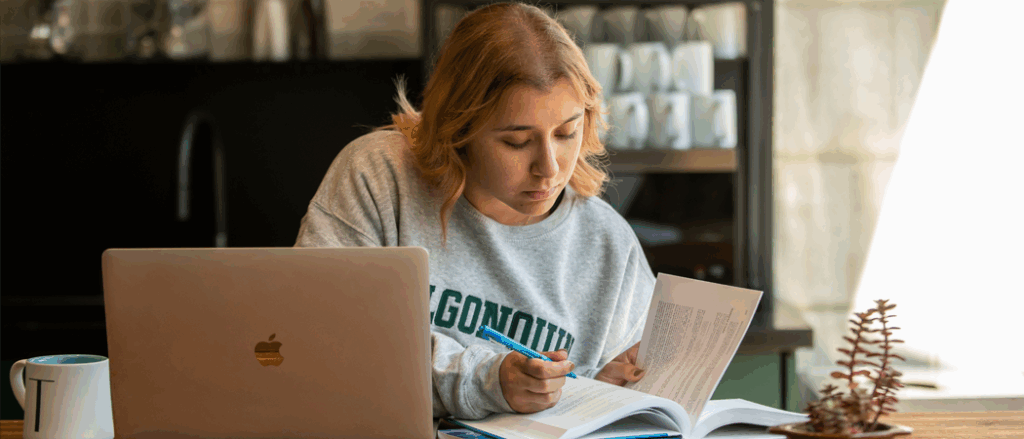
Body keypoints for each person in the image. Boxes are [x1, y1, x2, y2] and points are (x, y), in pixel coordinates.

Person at [293, 1, 655, 420]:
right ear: (458, 129)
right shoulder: (378, 176)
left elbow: (622, 393)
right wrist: (487, 380)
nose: (550, 169)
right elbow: (319, 335)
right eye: (516, 142)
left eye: (567, 132)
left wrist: (605, 391)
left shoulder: (607, 242)